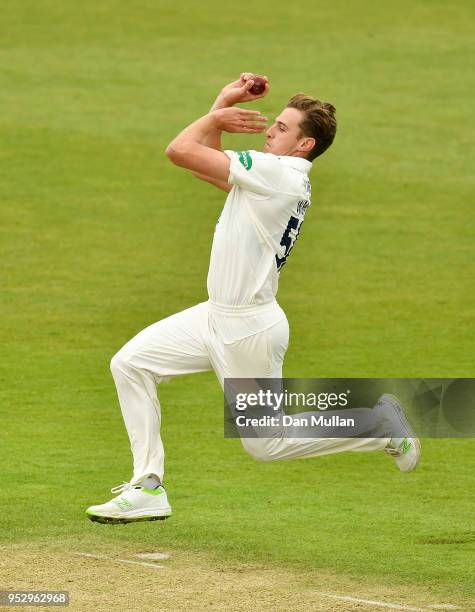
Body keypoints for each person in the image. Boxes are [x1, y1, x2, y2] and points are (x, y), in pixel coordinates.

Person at [86, 73, 420, 524]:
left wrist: (214, 116)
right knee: (131, 363)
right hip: (214, 317)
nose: (269, 130)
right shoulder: (270, 178)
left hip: (248, 329)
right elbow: (198, 162)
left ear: (304, 146)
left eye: (282, 128)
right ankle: (148, 486)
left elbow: (178, 151)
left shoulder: (278, 174)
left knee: (266, 444)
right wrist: (222, 103)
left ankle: (379, 427)